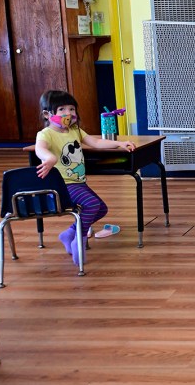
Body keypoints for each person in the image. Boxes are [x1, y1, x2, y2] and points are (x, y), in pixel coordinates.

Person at [34, 90, 136, 265]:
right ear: (47, 114)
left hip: (78, 183)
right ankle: (78, 239)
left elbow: (95, 142)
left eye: (72, 109)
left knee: (101, 209)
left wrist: (118, 143)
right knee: (92, 204)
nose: (68, 113)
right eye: (62, 109)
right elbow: (39, 148)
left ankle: (69, 233)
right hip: (63, 185)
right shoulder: (46, 134)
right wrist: (49, 158)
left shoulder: (74, 130)